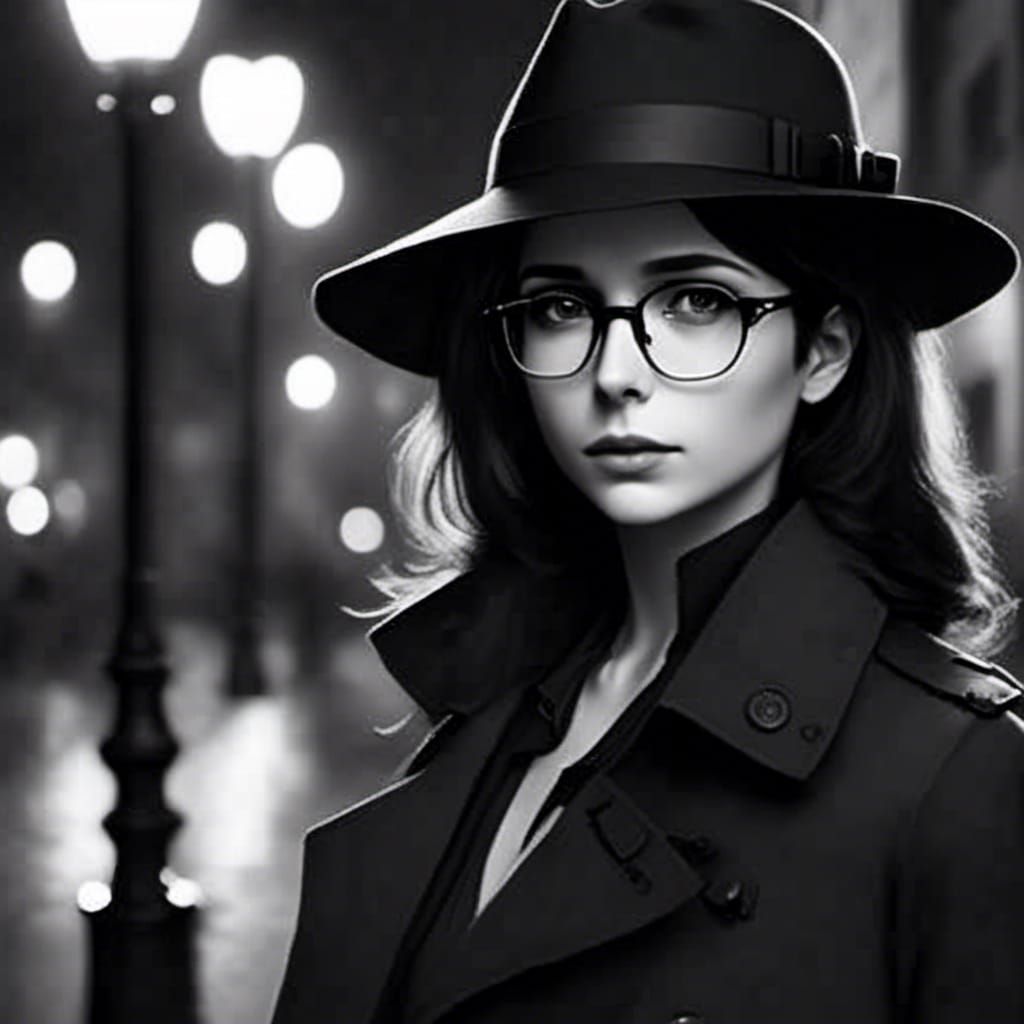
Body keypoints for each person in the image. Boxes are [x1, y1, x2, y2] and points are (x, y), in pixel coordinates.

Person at [271, 1, 1024, 1022]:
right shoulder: (493, 711)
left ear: (823, 349)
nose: (614, 372)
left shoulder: (951, 779)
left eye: (695, 301)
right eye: (560, 307)